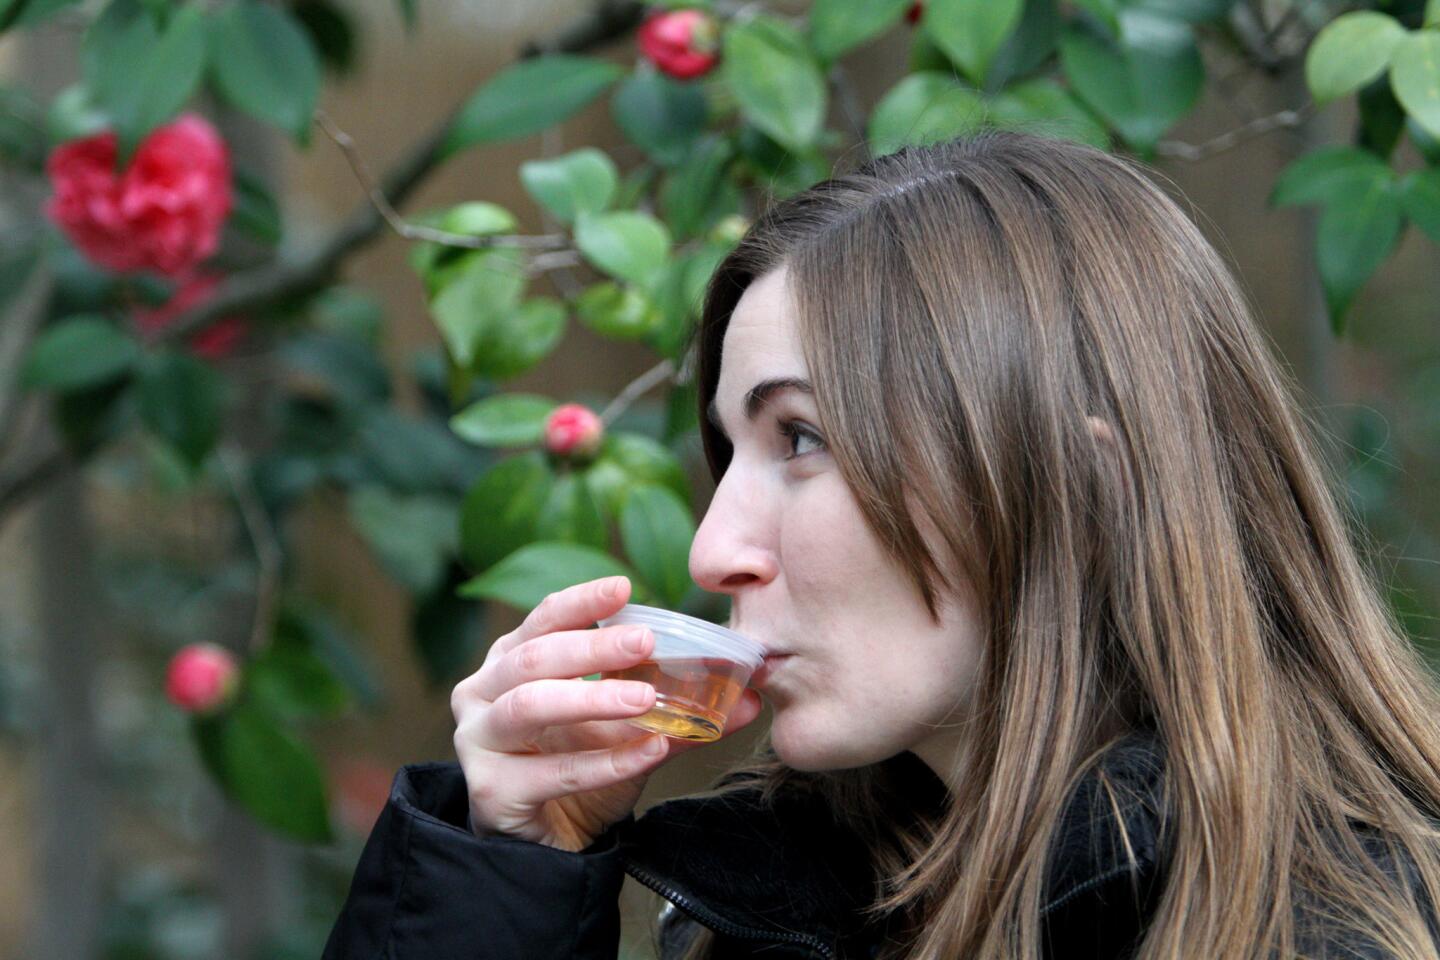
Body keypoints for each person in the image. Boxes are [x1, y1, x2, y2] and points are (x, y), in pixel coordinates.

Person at [322, 130, 1440, 959]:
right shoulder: (766, 914)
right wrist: (501, 879)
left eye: (801, 437)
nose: (713, 552)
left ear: (1084, 483)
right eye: (730, 451)